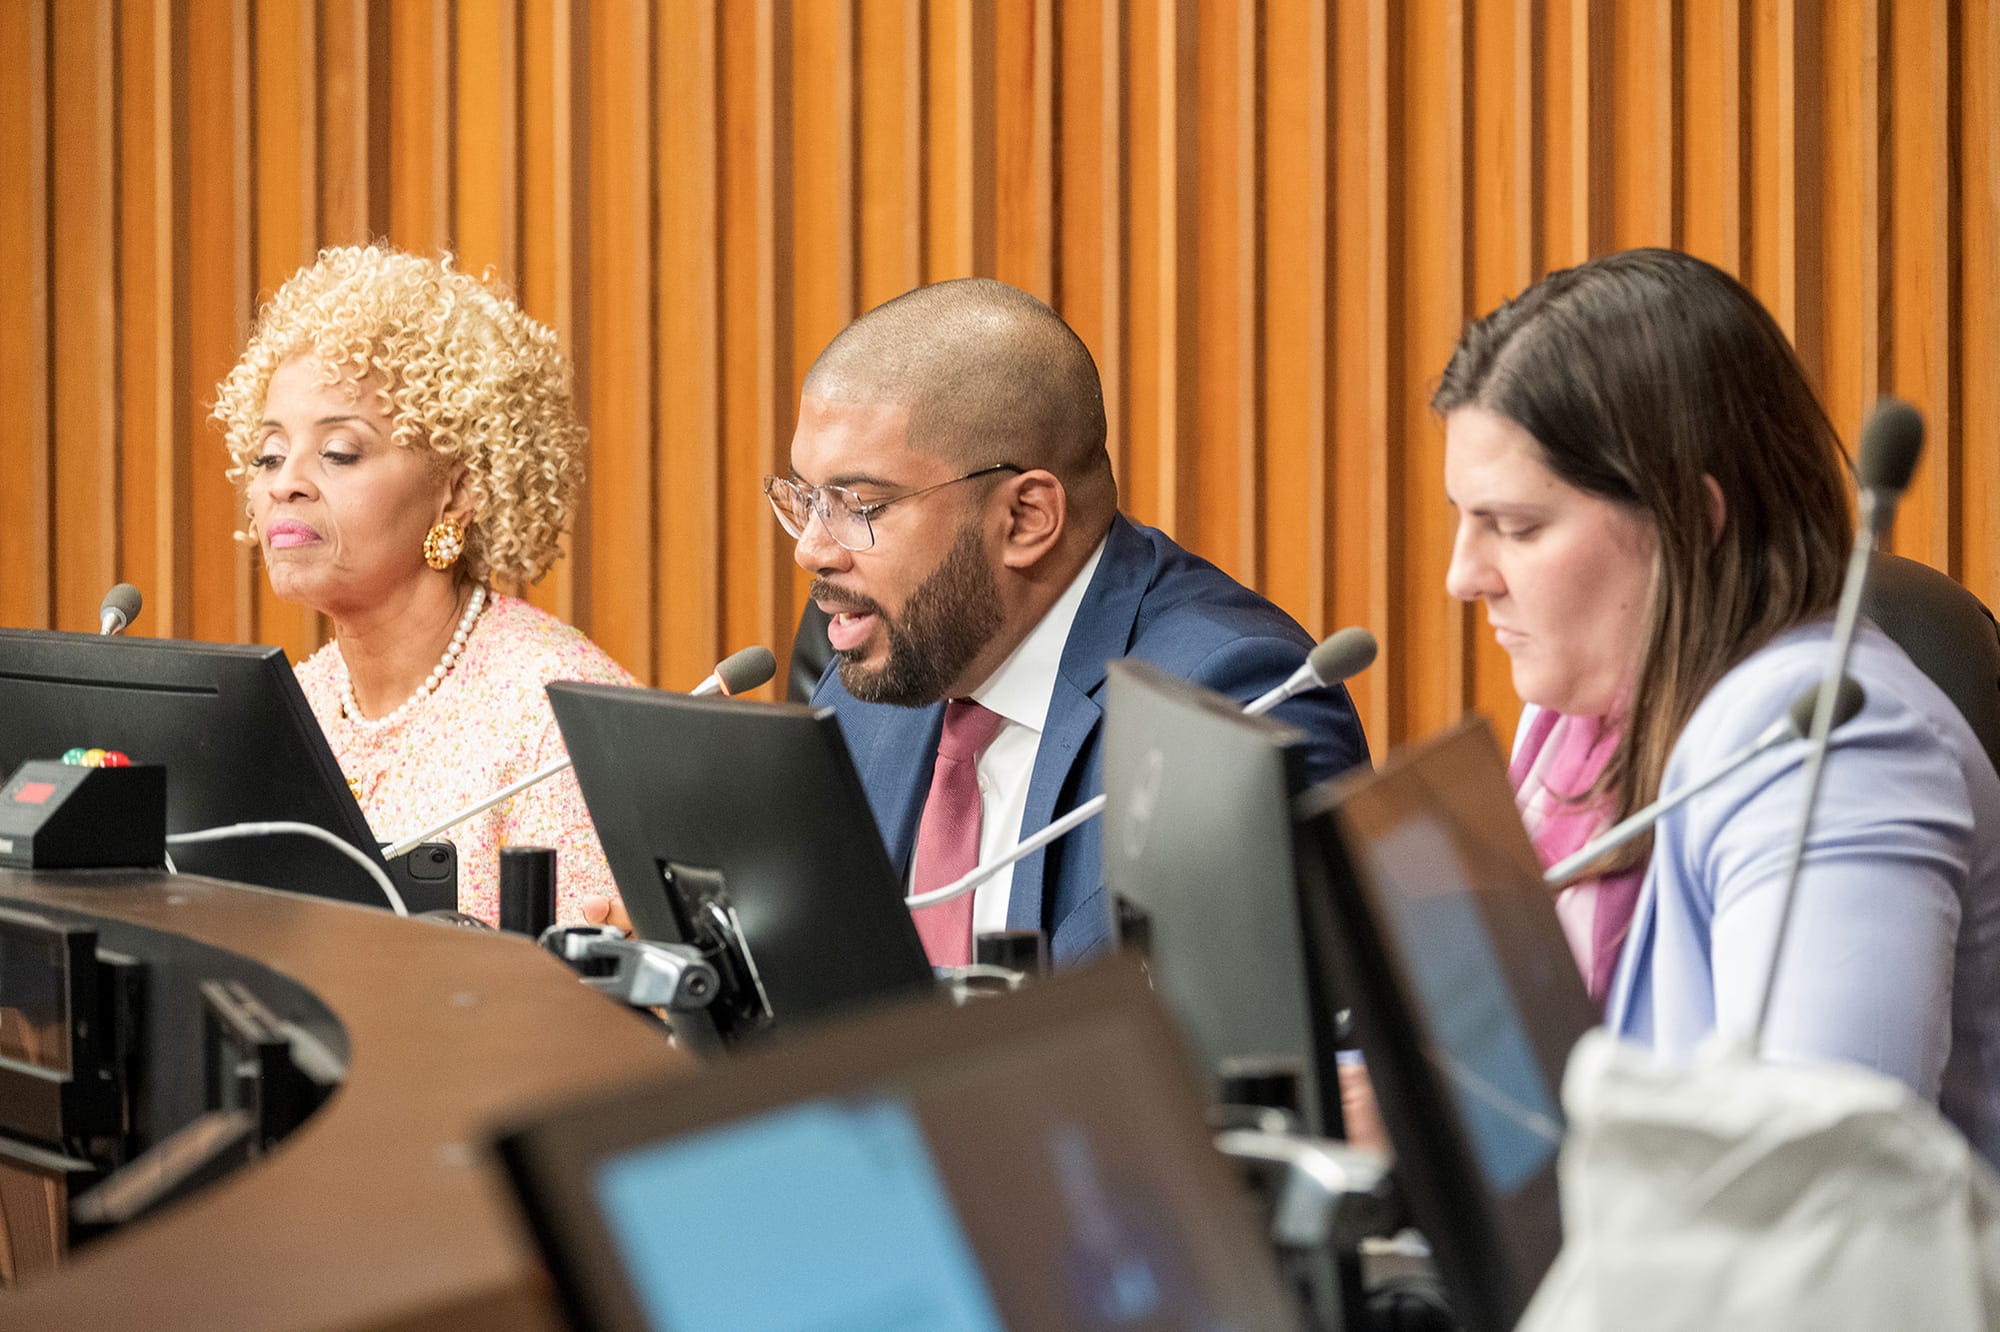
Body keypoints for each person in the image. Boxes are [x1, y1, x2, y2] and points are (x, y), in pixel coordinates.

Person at [1437, 247, 2000, 1163]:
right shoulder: (1580, 718)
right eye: (1464, 518)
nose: (1465, 576)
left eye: (1519, 527)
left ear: (1693, 522)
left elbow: (1808, 1188)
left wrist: (1468, 1135)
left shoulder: (1837, 755)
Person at [774, 277, 1370, 966]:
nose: (811, 549)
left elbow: (1252, 1055)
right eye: (806, 498)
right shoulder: (878, 663)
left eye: (861, 506)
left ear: (1025, 518)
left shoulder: (1231, 702)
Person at [212, 245, 635, 926]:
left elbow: (596, 1004)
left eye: (339, 452)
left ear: (458, 491)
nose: (284, 482)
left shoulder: (556, 718)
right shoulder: (293, 708)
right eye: (267, 454)